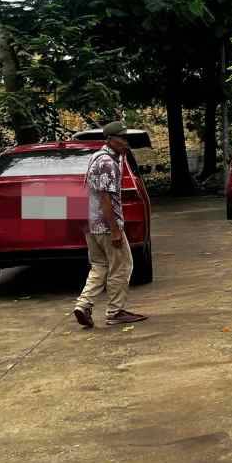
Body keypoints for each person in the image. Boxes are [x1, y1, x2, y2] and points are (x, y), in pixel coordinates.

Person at [73, 121, 147, 327]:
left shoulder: (97, 156)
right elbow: (105, 198)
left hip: (91, 223)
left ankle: (83, 304)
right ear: (110, 140)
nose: (126, 143)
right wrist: (115, 230)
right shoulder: (107, 162)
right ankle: (115, 312)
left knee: (99, 265)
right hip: (105, 225)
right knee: (122, 265)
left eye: (126, 139)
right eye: (122, 139)